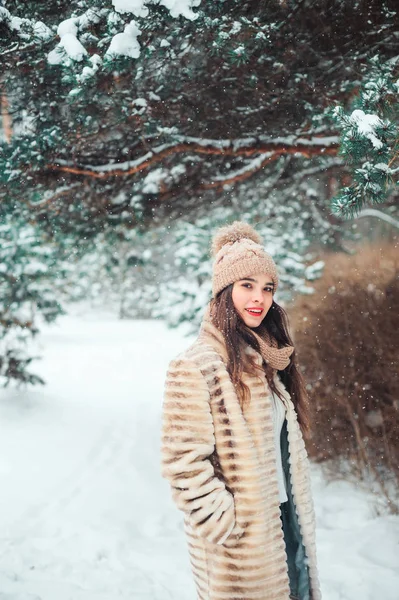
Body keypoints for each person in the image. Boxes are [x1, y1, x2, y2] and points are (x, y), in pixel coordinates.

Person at [161, 222, 321, 600]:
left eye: (268, 288)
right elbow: (183, 464)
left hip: (284, 520)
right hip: (241, 541)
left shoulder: (266, 360)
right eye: (247, 285)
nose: (259, 298)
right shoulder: (196, 365)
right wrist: (228, 524)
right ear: (223, 291)